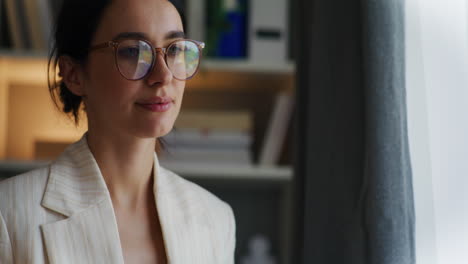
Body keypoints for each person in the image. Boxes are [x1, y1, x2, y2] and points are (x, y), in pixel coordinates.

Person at [0, 0, 236, 263]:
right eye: (133, 51)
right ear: (74, 74)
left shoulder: (216, 219)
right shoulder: (9, 215)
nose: (163, 75)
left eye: (174, 50)